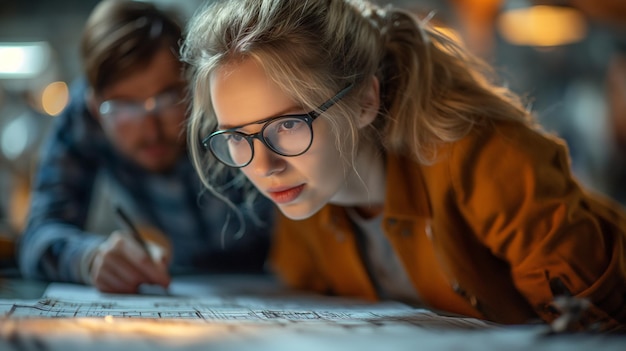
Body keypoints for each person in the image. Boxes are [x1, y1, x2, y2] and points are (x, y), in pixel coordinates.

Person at [181, 0, 626, 331]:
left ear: (364, 101)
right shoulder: (303, 199)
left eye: (289, 124)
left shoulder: (484, 159)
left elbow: (594, 330)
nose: (263, 165)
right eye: (237, 136)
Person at [18, 0, 273, 294]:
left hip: (283, 272)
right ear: (95, 108)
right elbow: (38, 236)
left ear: (191, 82)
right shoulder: (83, 118)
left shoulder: (222, 91)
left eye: (167, 99)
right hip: (184, 280)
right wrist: (91, 259)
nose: (151, 131)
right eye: (125, 109)